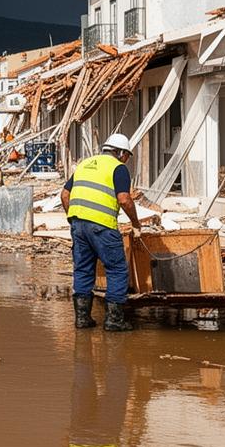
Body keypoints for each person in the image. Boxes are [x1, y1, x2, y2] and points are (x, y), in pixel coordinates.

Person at [61, 132, 139, 331]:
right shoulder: (118, 168)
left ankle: (82, 319)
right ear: (120, 153)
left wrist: (75, 217)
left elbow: (64, 194)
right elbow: (124, 199)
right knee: (117, 269)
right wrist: (136, 223)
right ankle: (114, 321)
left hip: (78, 224)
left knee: (83, 269)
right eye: (127, 156)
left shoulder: (85, 164)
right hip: (102, 226)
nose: (127, 161)